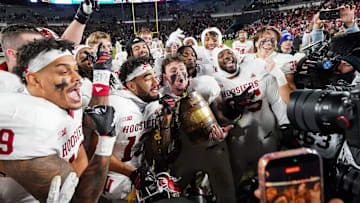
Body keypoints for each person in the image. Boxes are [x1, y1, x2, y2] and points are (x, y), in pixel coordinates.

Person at [0, 38, 116, 202]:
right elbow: (83, 199)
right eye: (64, 72)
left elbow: (77, 154)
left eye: (75, 70)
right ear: (34, 80)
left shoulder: (65, 102)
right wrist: (105, 143)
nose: (78, 77)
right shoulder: (22, 124)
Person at [143, 55, 236, 203]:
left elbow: (222, 119)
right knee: (174, 196)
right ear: (165, 77)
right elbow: (162, 147)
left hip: (211, 147)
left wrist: (222, 132)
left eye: (182, 69)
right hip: (182, 155)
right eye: (173, 70)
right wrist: (166, 119)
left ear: (188, 72)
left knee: (226, 194)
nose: (179, 73)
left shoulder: (204, 86)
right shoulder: (160, 98)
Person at [211, 45, 289, 201]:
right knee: (231, 187)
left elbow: (276, 100)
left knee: (274, 185)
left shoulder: (256, 69)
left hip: (268, 137)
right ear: (215, 62)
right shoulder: (214, 83)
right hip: (237, 143)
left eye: (229, 52)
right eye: (221, 55)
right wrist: (231, 109)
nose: (227, 56)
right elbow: (218, 117)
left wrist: (285, 124)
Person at [99, 56, 164, 202]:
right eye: (148, 78)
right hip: (115, 175)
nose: (156, 83)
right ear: (132, 86)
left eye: (155, 76)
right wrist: (132, 173)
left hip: (141, 170)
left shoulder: (153, 103)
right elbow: (96, 153)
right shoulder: (115, 107)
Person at [249, 26, 296, 103]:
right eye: (264, 40)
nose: (268, 43)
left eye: (272, 40)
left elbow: (290, 100)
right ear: (256, 42)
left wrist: (280, 76)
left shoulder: (285, 60)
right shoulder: (245, 60)